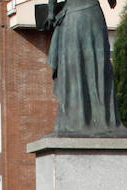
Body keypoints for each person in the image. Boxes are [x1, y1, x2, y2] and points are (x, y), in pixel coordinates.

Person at [46, 0, 122, 135]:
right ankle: (103, 120)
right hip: (93, 16)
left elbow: (52, 6)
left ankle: (75, 121)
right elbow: (112, 3)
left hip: (73, 20)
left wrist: (51, 15)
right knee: (99, 69)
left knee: (75, 71)